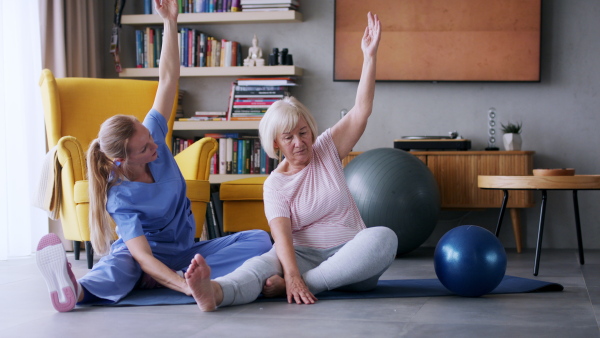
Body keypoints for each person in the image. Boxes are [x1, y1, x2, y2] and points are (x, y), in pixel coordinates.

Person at [35, 0, 272, 312]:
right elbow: (145, 256)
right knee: (126, 263)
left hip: (184, 251)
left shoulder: (151, 133)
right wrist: (185, 286)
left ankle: (160, 277)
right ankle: (75, 291)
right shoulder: (118, 195)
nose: (155, 147)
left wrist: (170, 23)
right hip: (145, 254)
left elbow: (169, 79)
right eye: (145, 149)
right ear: (123, 160)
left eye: (149, 138)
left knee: (258, 240)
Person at [185, 12, 398, 312]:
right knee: (262, 264)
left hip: (353, 258)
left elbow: (361, 109)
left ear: (311, 129)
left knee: (383, 238)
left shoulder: (326, 149)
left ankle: (308, 284)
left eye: (303, 131)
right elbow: (282, 237)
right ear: (276, 144)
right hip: (302, 254)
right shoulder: (276, 185)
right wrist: (292, 270)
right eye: (289, 137)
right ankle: (216, 293)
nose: (300, 142)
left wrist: (369, 56)